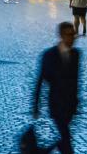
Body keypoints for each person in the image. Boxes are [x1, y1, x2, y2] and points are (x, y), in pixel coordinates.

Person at [33, 22, 79, 154]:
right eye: (69, 35)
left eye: (73, 34)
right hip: (56, 104)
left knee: (64, 138)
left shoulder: (76, 54)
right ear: (61, 36)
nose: (72, 38)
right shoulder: (49, 55)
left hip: (70, 106)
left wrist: (76, 101)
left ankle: (44, 151)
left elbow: (75, 80)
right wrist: (36, 105)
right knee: (66, 138)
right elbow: (40, 80)